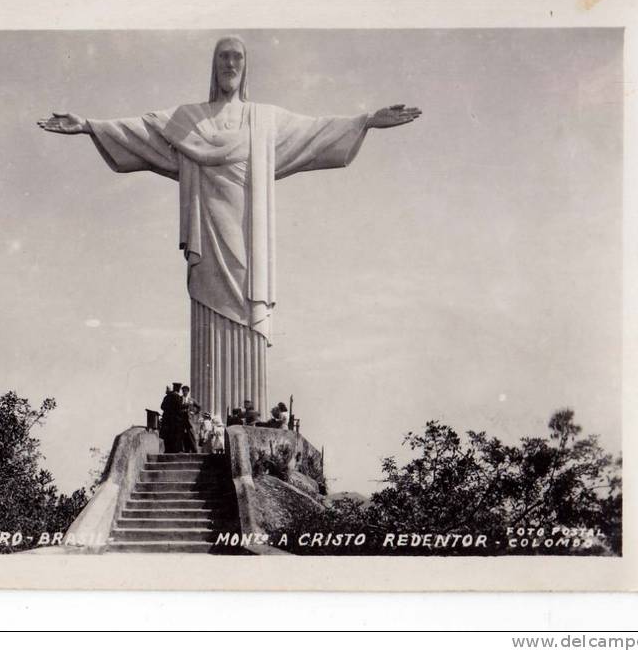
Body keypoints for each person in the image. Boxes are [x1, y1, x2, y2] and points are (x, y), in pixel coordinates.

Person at [38, 36, 420, 425]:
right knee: (208, 308)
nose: (230, 64)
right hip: (207, 231)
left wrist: (367, 120)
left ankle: (243, 420)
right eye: (223, 57)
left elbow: (316, 131)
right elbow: (140, 131)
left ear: (246, 65)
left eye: (237, 57)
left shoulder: (266, 120)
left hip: (249, 238)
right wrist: (89, 126)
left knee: (247, 310)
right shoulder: (187, 121)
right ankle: (209, 419)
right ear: (213, 64)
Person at [160, 382, 183, 453]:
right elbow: (179, 408)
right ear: (178, 389)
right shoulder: (178, 397)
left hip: (167, 419)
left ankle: (167, 450)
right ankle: (175, 450)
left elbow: (162, 407)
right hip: (175, 420)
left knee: (167, 435)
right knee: (175, 435)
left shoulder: (167, 397)